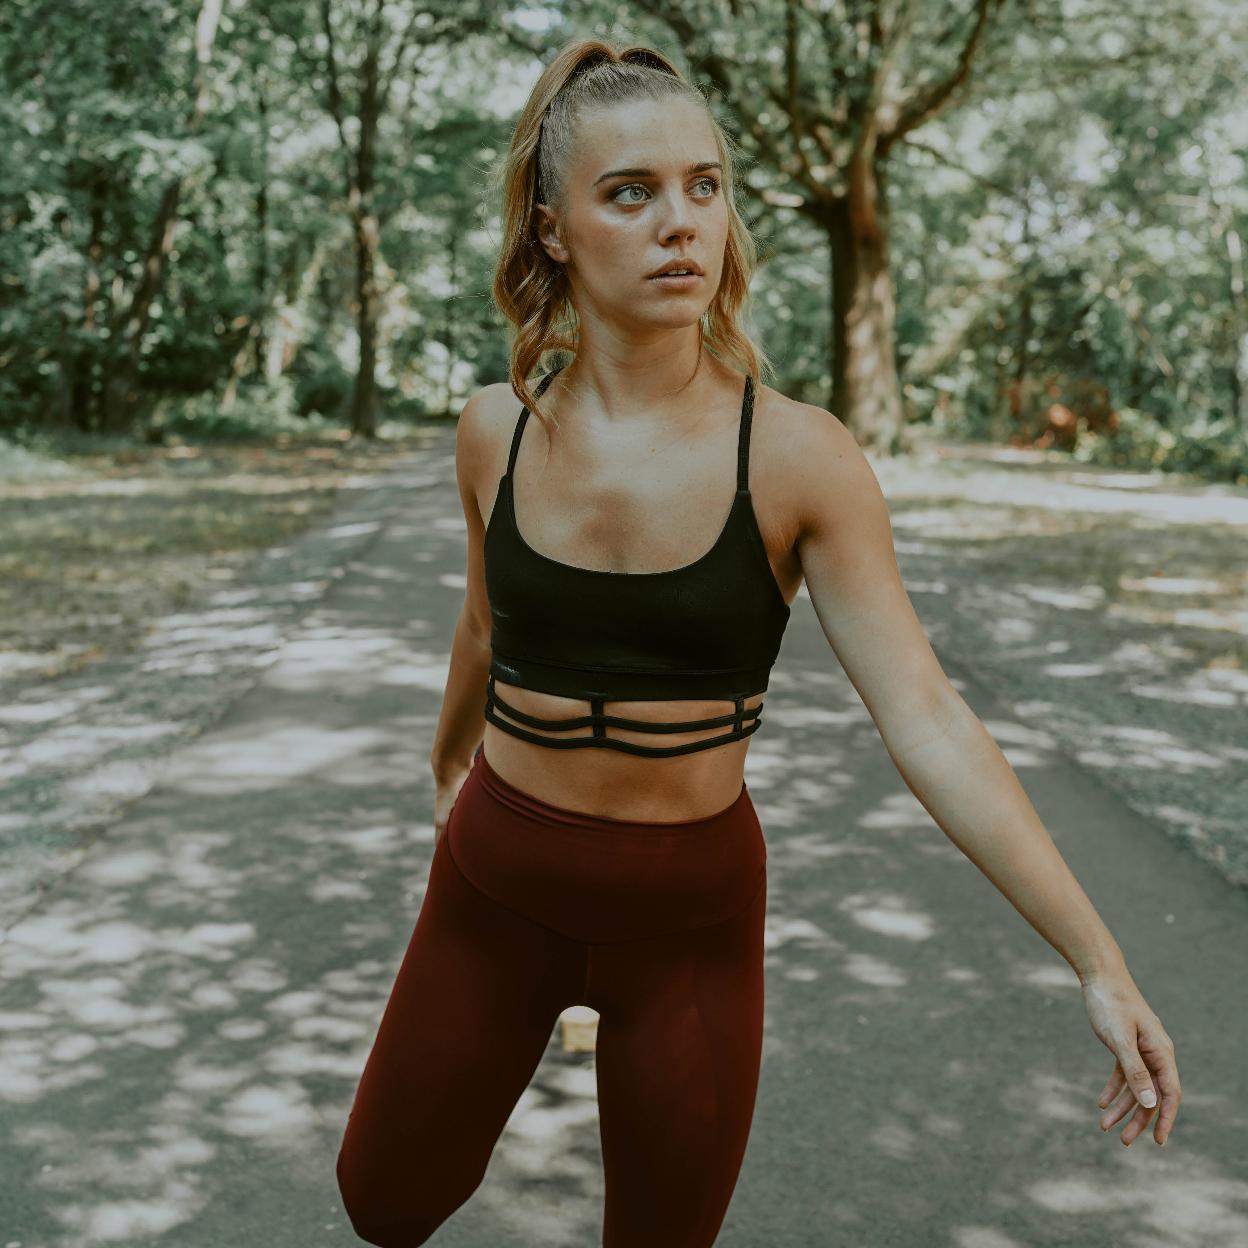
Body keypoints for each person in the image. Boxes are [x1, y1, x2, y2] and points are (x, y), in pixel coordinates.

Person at [334, 36, 1181, 1247]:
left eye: (705, 185)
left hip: (688, 920)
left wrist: (1098, 959)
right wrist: (442, 764)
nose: (681, 221)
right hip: (494, 884)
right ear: (554, 229)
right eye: (631, 192)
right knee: (384, 1202)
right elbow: (486, 622)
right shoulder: (493, 431)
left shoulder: (797, 457)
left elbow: (928, 717)